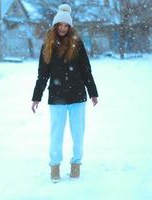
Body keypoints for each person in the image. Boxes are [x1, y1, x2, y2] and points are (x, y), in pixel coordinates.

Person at [31, 4, 98, 183]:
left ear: (70, 27)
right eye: (59, 25)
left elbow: (86, 70)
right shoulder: (48, 46)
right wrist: (36, 96)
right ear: (55, 26)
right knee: (56, 134)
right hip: (57, 97)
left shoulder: (77, 44)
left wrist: (93, 93)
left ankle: (76, 166)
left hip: (77, 96)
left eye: (65, 25)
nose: (62, 28)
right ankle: (55, 168)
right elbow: (42, 74)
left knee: (78, 133)